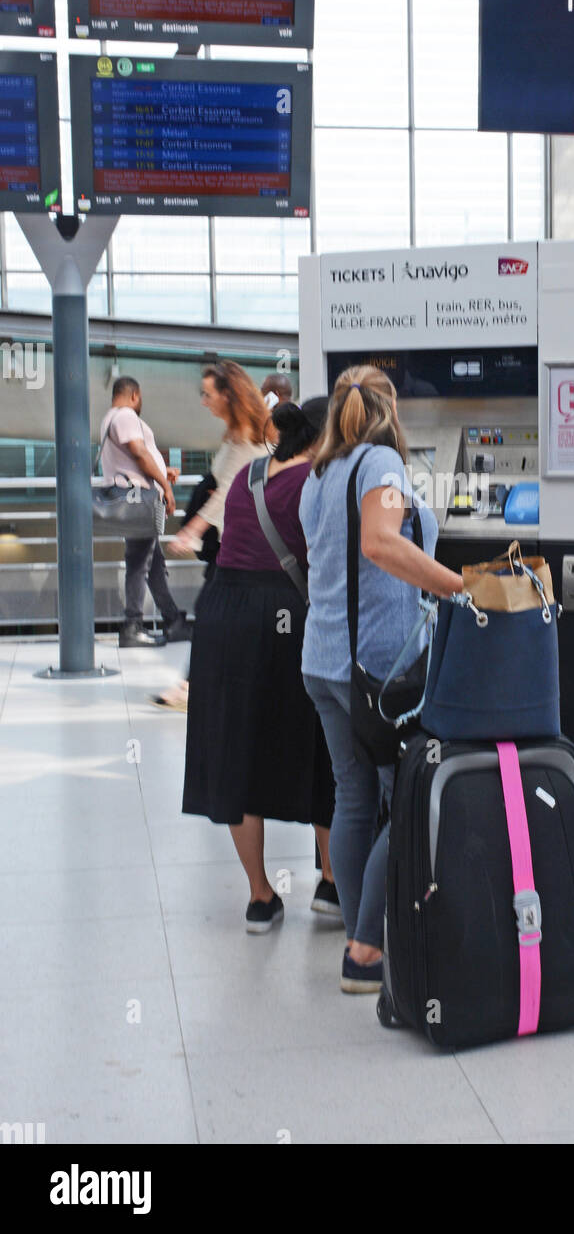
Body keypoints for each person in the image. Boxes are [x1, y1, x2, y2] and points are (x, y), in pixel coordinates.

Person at [299, 366, 463, 993]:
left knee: (354, 798)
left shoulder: (321, 473)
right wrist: (460, 587)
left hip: (325, 661)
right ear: (390, 412)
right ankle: (367, 951)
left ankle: (355, 936)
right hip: (382, 672)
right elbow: (379, 543)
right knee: (409, 795)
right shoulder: (384, 469)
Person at [183, 397, 339, 930]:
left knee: (237, 752)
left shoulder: (251, 472)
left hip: (224, 614)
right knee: (322, 746)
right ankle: (333, 886)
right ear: (324, 439)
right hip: (287, 616)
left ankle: (260, 896)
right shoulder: (318, 482)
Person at [158, 362, 270, 711]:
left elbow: (227, 495)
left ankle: (194, 685)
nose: (204, 401)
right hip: (232, 546)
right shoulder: (238, 434)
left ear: (227, 394)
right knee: (216, 614)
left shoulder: (248, 439)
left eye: (208, 394)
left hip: (238, 548)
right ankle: (197, 684)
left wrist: (192, 531)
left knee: (212, 613)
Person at [99, 376, 187, 649]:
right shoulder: (125, 415)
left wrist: (163, 471)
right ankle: (132, 626)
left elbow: (133, 457)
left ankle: (174, 621)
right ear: (134, 395)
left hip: (135, 499)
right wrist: (165, 487)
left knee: (153, 563)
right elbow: (138, 453)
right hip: (138, 499)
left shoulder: (110, 418)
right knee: (139, 562)